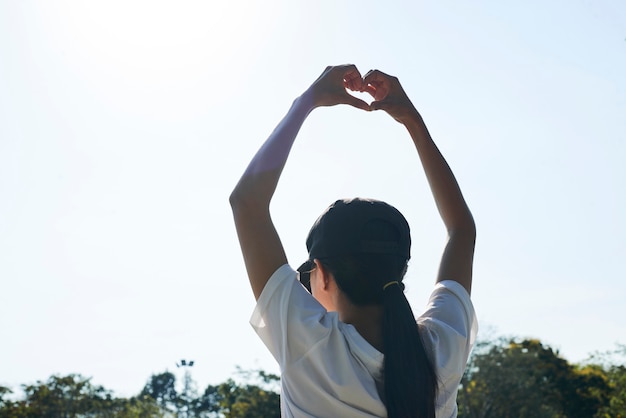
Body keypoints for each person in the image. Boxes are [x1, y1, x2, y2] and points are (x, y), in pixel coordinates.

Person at [230, 65, 477, 418]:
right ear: (399, 269)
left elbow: (246, 204)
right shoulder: (441, 352)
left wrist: (306, 102)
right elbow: (461, 230)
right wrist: (412, 121)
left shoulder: (312, 350)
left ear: (323, 274)